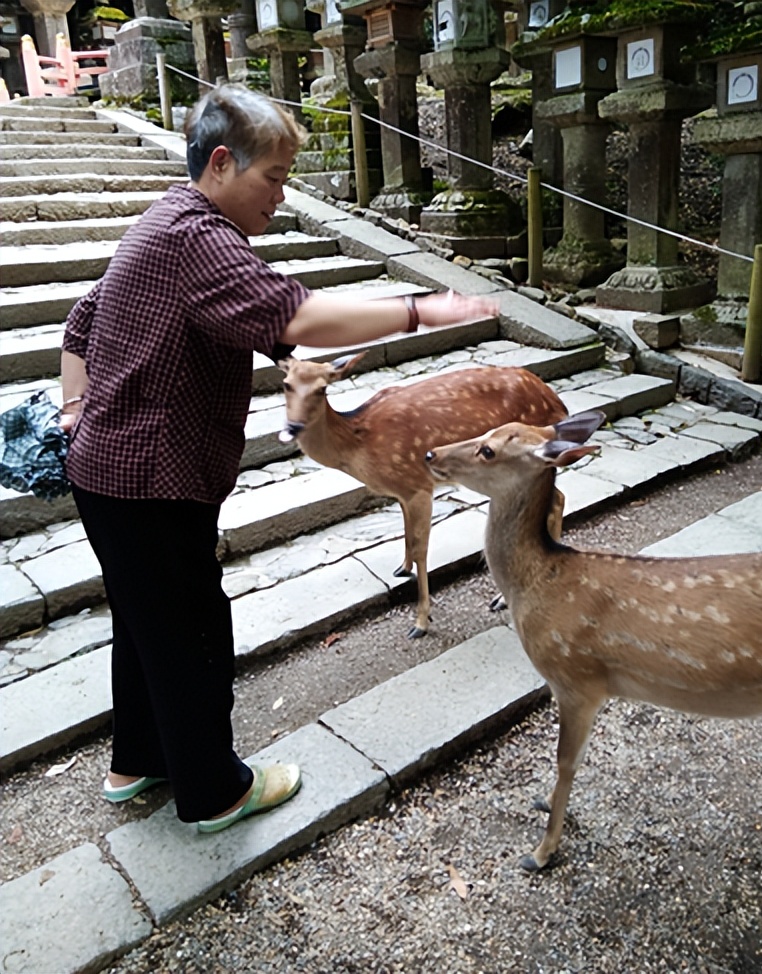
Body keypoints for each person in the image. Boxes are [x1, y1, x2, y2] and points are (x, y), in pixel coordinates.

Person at [60, 83, 498, 834]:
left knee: (145, 625)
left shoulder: (164, 222)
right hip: (153, 479)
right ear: (223, 163)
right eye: (273, 178)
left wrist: (76, 416)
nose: (281, 196)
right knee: (192, 628)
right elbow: (292, 316)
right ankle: (214, 792)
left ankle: (137, 762)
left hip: (108, 471)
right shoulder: (197, 235)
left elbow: (81, 320)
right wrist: (426, 308)